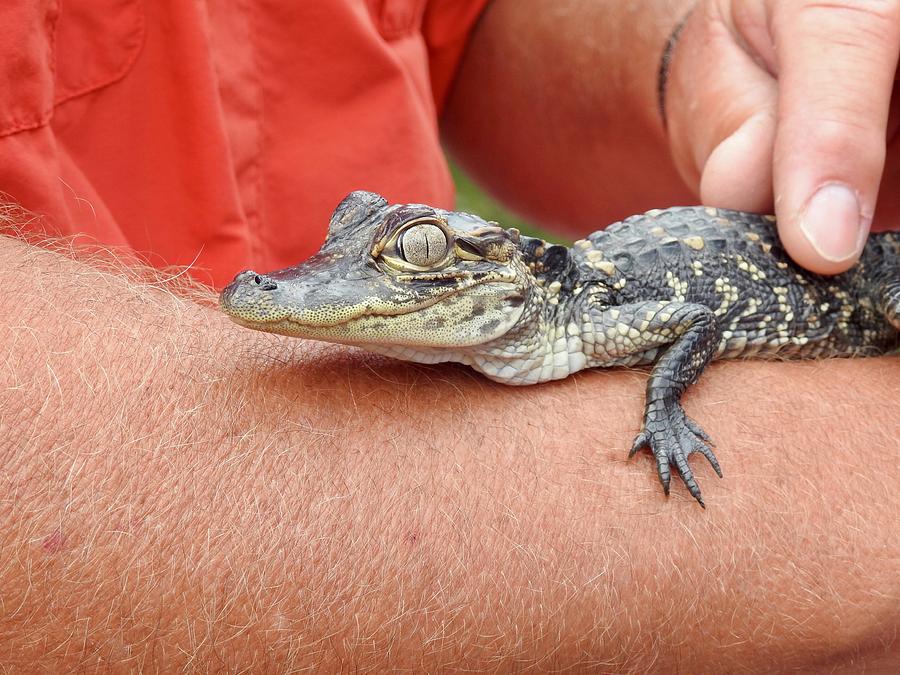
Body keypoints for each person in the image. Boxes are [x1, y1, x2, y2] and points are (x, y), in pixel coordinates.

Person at [1, 0, 897, 670]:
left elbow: (461, 24)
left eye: (418, 250)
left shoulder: (588, 311)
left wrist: (694, 53)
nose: (311, 278)